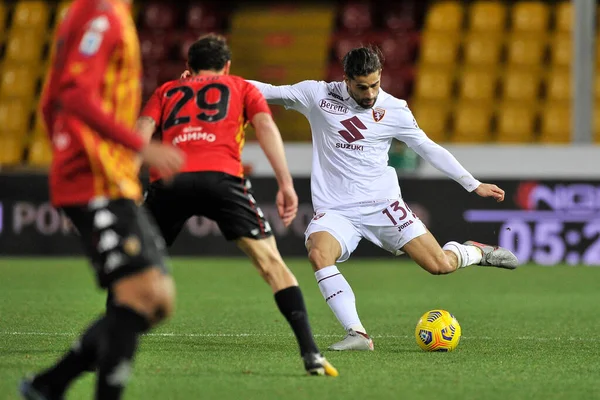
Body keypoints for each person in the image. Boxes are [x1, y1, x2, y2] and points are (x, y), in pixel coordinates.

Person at [245, 46, 519, 351]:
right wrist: (211, 82)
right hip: (337, 210)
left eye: (375, 84)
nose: (370, 93)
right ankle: (357, 334)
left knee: (439, 265)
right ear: (346, 80)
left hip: (384, 205)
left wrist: (473, 184)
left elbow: (428, 148)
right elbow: (266, 90)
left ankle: (475, 252)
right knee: (319, 254)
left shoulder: (395, 109)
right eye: (362, 87)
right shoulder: (317, 96)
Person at [136, 34, 338, 376]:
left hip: (170, 179)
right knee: (271, 264)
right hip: (222, 178)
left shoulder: (167, 90)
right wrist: (285, 183)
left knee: (135, 264)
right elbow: (266, 127)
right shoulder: (242, 88)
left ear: (189, 67)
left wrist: (125, 180)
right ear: (227, 67)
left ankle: (111, 344)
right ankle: (311, 354)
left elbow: (140, 131)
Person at [19, 0, 184, 399]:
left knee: (159, 299)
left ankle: (49, 385)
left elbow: (49, 99)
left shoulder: (96, 12)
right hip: (94, 177)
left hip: (108, 176)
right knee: (141, 293)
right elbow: (74, 94)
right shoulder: (102, 14)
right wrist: (136, 148)